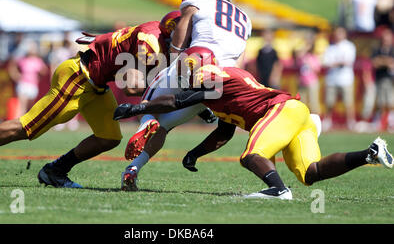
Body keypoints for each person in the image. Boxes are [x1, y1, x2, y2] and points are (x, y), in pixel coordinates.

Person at [0, 17, 173, 188]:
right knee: (27, 127)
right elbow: (131, 86)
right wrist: (168, 93)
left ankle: (55, 171)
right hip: (79, 77)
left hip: (96, 85)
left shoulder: (156, 31)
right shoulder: (151, 41)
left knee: (109, 137)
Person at [113, 64, 393, 199]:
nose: (189, 85)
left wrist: (138, 108)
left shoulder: (214, 78)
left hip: (281, 111)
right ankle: (370, 153)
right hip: (296, 115)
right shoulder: (221, 88)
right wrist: (194, 154)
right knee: (311, 173)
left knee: (251, 155)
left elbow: (177, 101)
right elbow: (224, 132)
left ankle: (278, 190)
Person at [120, 0, 253, 191]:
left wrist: (175, 55)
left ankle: (144, 126)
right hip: (220, 80)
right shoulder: (245, 18)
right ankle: (133, 168)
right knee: (166, 126)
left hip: (196, 61)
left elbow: (184, 24)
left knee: (151, 109)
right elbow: (240, 59)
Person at [322, 27, 357, 131]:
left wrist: (335, 63)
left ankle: (351, 122)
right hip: (332, 79)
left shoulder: (349, 46)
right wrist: (338, 63)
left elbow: (348, 61)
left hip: (345, 79)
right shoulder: (330, 47)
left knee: (348, 102)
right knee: (329, 102)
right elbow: (326, 62)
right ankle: (328, 121)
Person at [8, 41, 49, 116]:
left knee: (30, 107)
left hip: (33, 85)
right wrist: (16, 76)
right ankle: (18, 123)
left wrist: (38, 77)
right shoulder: (23, 60)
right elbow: (13, 66)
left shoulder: (38, 61)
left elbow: (44, 71)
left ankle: (26, 124)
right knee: (22, 106)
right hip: (23, 84)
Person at [371, 26, 394, 131]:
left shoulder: (392, 50)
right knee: (381, 103)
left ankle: (390, 122)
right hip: (380, 79)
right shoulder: (377, 49)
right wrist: (387, 62)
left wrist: (382, 61)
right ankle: (382, 123)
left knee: (390, 102)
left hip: (391, 80)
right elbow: (375, 62)